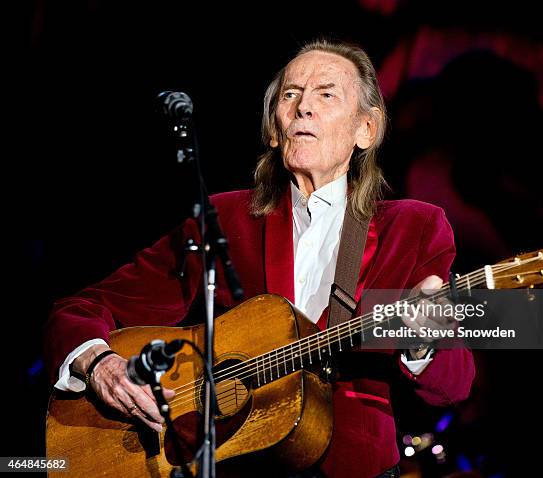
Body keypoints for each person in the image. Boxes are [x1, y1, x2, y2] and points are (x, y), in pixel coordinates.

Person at [44, 40, 475, 478]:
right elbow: (78, 310)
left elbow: (456, 385)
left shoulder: (415, 227)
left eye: (327, 94)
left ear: (366, 129)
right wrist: (98, 363)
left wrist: (424, 341)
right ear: (274, 128)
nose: (303, 107)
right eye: (291, 95)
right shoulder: (224, 219)